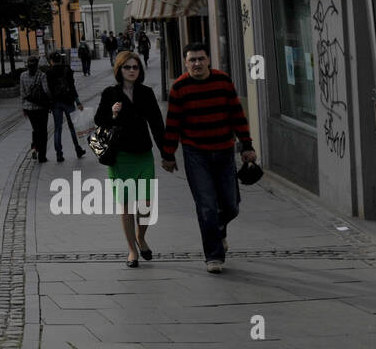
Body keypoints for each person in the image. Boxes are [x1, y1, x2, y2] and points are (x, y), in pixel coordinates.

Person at [161, 42, 257, 274]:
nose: (197, 63)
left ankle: (220, 228)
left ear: (209, 60)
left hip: (224, 150)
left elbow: (237, 114)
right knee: (206, 207)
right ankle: (213, 256)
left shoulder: (222, 81)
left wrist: (247, 144)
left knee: (231, 205)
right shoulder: (179, 88)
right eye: (192, 60)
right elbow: (173, 123)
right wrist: (168, 155)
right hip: (196, 153)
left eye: (201, 59)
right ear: (185, 63)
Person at [95, 51, 166, 268]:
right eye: (127, 67)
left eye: (135, 67)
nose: (132, 70)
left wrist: (167, 153)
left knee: (145, 205)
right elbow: (99, 120)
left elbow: (156, 123)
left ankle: (141, 236)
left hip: (143, 154)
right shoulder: (110, 93)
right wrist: (113, 115)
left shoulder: (146, 93)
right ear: (119, 70)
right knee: (126, 207)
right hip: (120, 157)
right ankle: (132, 250)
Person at [46, 50, 86, 161]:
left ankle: (59, 154)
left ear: (51, 61)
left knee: (57, 128)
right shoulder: (67, 70)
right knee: (72, 127)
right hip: (68, 102)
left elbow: (48, 90)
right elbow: (72, 87)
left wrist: (49, 103)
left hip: (56, 103)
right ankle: (78, 149)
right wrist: (78, 102)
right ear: (60, 60)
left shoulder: (48, 72)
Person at [19, 55, 51, 161]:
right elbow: (46, 91)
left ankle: (34, 147)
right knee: (43, 131)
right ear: (37, 64)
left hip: (29, 108)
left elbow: (22, 93)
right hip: (41, 108)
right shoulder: (41, 75)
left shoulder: (23, 76)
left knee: (36, 129)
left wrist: (23, 107)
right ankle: (42, 156)